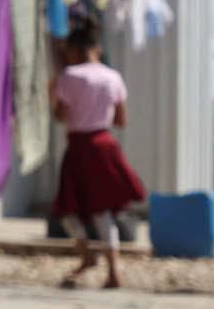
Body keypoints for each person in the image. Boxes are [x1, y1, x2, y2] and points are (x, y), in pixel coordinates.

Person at [51, 19, 146, 289]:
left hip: (80, 146)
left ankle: (86, 254)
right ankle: (114, 270)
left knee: (67, 208)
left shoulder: (69, 77)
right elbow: (121, 120)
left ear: (76, 49)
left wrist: (54, 95)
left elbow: (60, 114)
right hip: (105, 145)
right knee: (102, 211)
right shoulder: (112, 77)